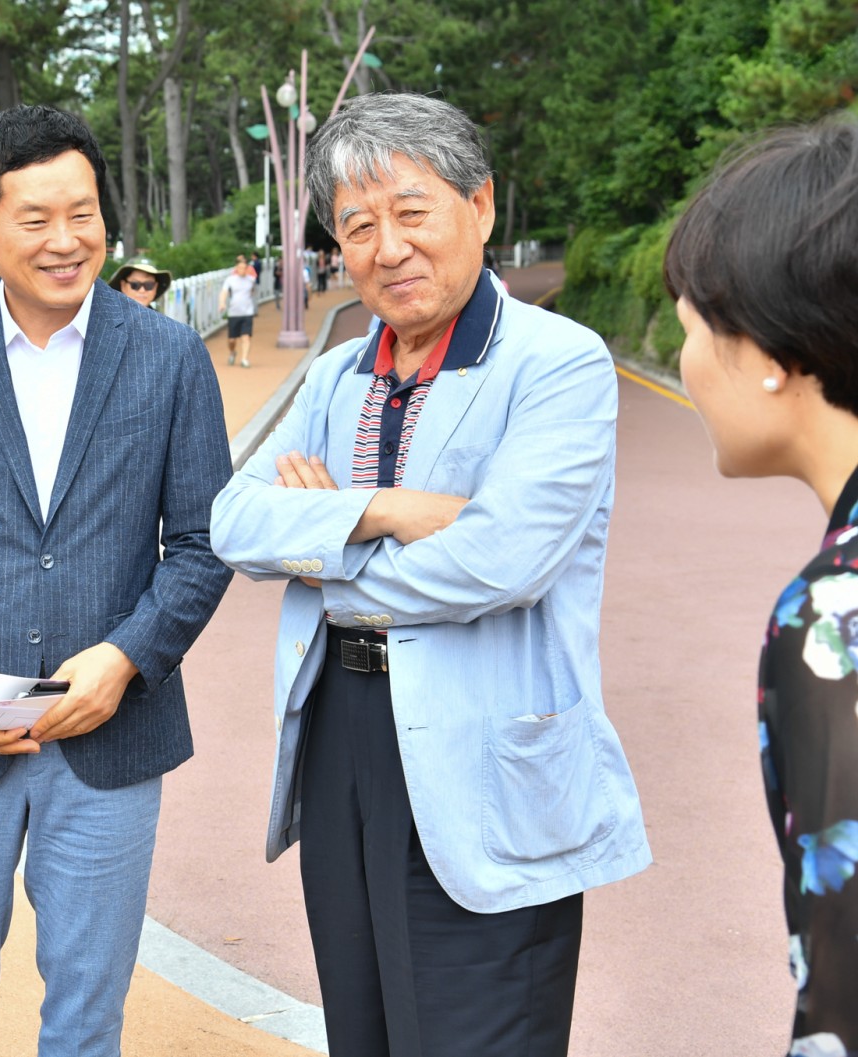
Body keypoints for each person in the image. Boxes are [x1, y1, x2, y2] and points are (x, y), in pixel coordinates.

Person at [209, 92, 650, 1057]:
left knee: (479, 1030)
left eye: (412, 212)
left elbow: (500, 560)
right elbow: (234, 521)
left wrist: (319, 556)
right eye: (358, 226)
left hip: (485, 748)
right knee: (362, 1028)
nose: (388, 247)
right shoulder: (336, 376)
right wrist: (387, 510)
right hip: (340, 738)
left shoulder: (555, 363)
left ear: (479, 206)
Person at [0, 103, 232, 1057]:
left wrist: (128, 657)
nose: (66, 240)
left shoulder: (171, 357)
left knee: (87, 1017)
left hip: (114, 739)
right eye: (35, 219)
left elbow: (201, 543)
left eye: (84, 213)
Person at [664, 120, 858, 1056]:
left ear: (774, 352)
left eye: (692, 329)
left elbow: (844, 994)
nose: (687, 364)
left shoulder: (832, 613)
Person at [218, 255, 258, 367]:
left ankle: (244, 359)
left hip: (247, 312)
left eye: (244, 268)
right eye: (240, 268)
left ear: (247, 268)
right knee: (232, 340)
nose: (242, 270)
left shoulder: (251, 280)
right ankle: (232, 352)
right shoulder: (230, 280)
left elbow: (253, 291)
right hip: (234, 313)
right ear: (236, 268)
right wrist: (222, 303)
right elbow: (224, 292)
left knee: (246, 337)